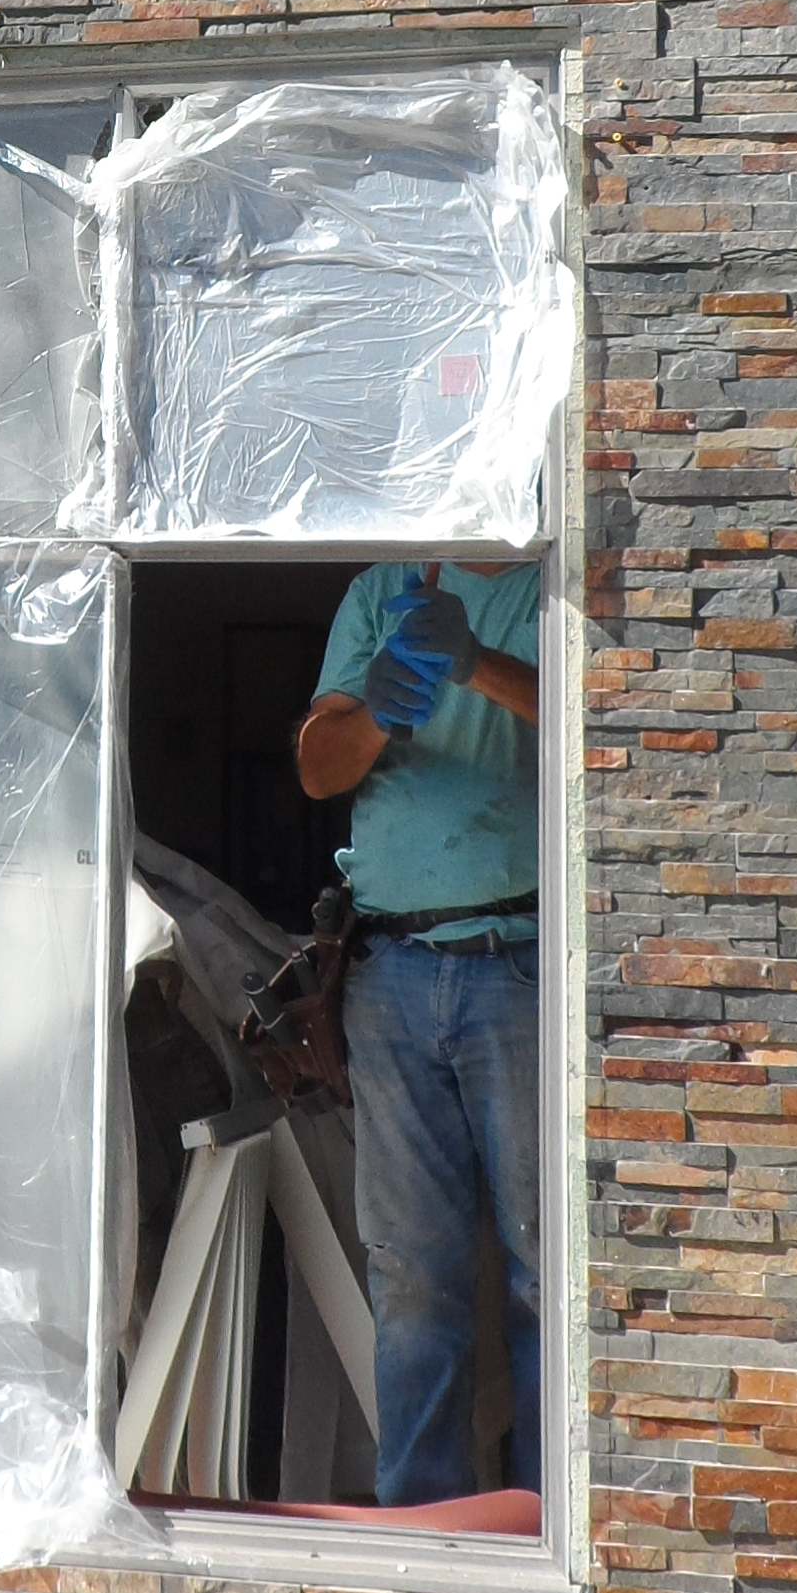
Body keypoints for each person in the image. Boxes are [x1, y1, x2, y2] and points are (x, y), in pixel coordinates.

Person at [294, 561, 540, 1506]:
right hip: (390, 970)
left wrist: (476, 663)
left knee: (543, 1276)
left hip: (521, 961)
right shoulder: (383, 586)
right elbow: (320, 767)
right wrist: (381, 712)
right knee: (411, 1277)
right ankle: (424, 1524)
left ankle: (549, 1520)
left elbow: (609, 713)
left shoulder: (552, 578)